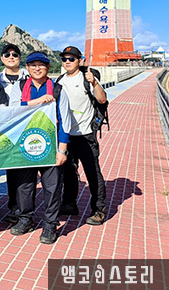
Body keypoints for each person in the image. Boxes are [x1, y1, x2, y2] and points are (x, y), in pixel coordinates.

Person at [8, 52, 74, 245]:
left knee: (52, 187)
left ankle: (50, 224)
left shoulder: (58, 90)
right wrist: (38, 101)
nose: (37, 68)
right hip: (25, 145)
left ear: (48, 67)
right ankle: (25, 219)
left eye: (41, 65)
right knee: (24, 186)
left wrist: (62, 150)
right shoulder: (20, 87)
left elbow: (64, 121)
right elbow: (13, 110)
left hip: (50, 145)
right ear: (27, 68)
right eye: (33, 65)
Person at [56, 46, 108, 226]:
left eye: (71, 59)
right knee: (69, 173)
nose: (67, 62)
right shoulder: (60, 80)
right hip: (67, 136)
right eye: (64, 59)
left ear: (80, 60)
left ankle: (99, 210)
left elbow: (102, 99)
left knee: (93, 173)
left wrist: (94, 83)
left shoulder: (87, 78)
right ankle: (69, 204)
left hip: (85, 135)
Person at [0, 43, 29, 224]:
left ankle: (23, 210)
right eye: (7, 54)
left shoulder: (30, 77)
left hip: (25, 130)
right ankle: (11, 208)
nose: (11, 57)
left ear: (20, 58)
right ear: (2, 58)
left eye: (15, 54)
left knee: (24, 172)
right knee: (8, 171)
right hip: (3, 132)